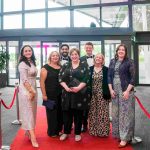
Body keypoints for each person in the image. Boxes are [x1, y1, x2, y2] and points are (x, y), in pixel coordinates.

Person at [59, 48, 91, 142]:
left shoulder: (84, 65)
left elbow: (87, 78)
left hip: (80, 94)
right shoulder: (66, 65)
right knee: (67, 114)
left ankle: (77, 133)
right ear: (70, 55)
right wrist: (65, 87)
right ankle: (66, 132)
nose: (74, 56)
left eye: (76, 54)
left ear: (78, 55)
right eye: (72, 54)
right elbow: (60, 77)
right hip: (67, 93)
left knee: (78, 115)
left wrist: (78, 88)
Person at [108, 44, 135, 148]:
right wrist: (110, 90)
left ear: (125, 52)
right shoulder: (112, 61)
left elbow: (133, 78)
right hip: (114, 89)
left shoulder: (129, 61)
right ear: (117, 51)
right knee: (116, 113)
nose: (121, 51)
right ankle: (119, 134)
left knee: (125, 114)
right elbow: (109, 76)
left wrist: (127, 91)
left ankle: (125, 138)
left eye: (123, 50)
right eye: (119, 49)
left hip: (125, 90)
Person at [18, 45, 39, 148]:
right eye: (25, 51)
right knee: (29, 112)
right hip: (26, 90)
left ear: (32, 52)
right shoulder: (22, 64)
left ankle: (28, 131)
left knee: (32, 111)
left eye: (29, 50)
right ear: (22, 53)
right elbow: (24, 80)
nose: (27, 52)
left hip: (34, 88)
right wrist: (32, 92)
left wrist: (34, 91)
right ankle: (33, 137)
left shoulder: (32, 62)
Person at [40, 51, 63, 137]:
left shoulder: (61, 67)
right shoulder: (45, 68)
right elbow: (42, 82)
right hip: (50, 94)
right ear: (50, 57)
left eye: (57, 55)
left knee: (60, 113)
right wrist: (44, 94)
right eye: (53, 55)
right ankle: (52, 132)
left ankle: (59, 130)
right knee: (51, 113)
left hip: (61, 94)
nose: (55, 57)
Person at [89, 53, 110, 137]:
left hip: (102, 93)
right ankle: (93, 130)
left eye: (100, 58)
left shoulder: (106, 69)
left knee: (103, 112)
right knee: (92, 112)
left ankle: (103, 131)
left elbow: (109, 82)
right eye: (96, 57)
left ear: (102, 60)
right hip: (92, 94)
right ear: (94, 59)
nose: (98, 59)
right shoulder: (89, 69)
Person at [80, 42, 94, 132]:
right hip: (84, 86)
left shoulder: (97, 57)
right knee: (84, 107)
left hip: (95, 85)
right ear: (85, 48)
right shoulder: (80, 59)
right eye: (87, 48)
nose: (88, 49)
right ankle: (84, 125)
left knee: (94, 106)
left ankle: (94, 125)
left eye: (90, 47)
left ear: (92, 48)